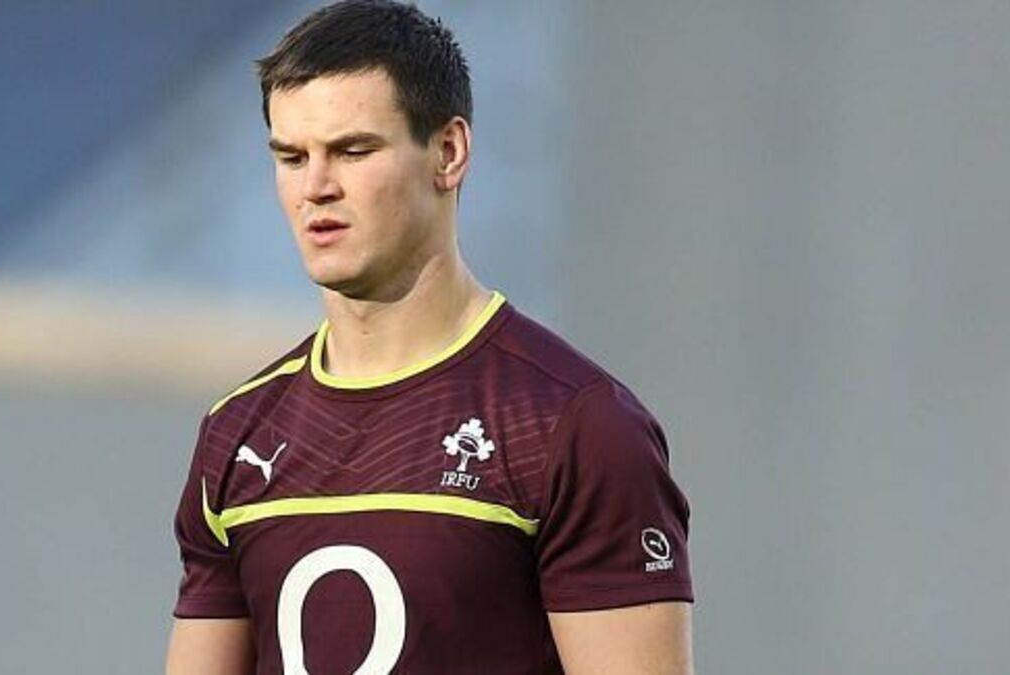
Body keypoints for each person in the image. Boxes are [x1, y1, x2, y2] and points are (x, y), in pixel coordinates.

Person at [166, 1, 694, 673]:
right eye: (292, 157)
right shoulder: (238, 434)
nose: (316, 187)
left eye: (353, 151)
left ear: (448, 152)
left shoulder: (572, 425)